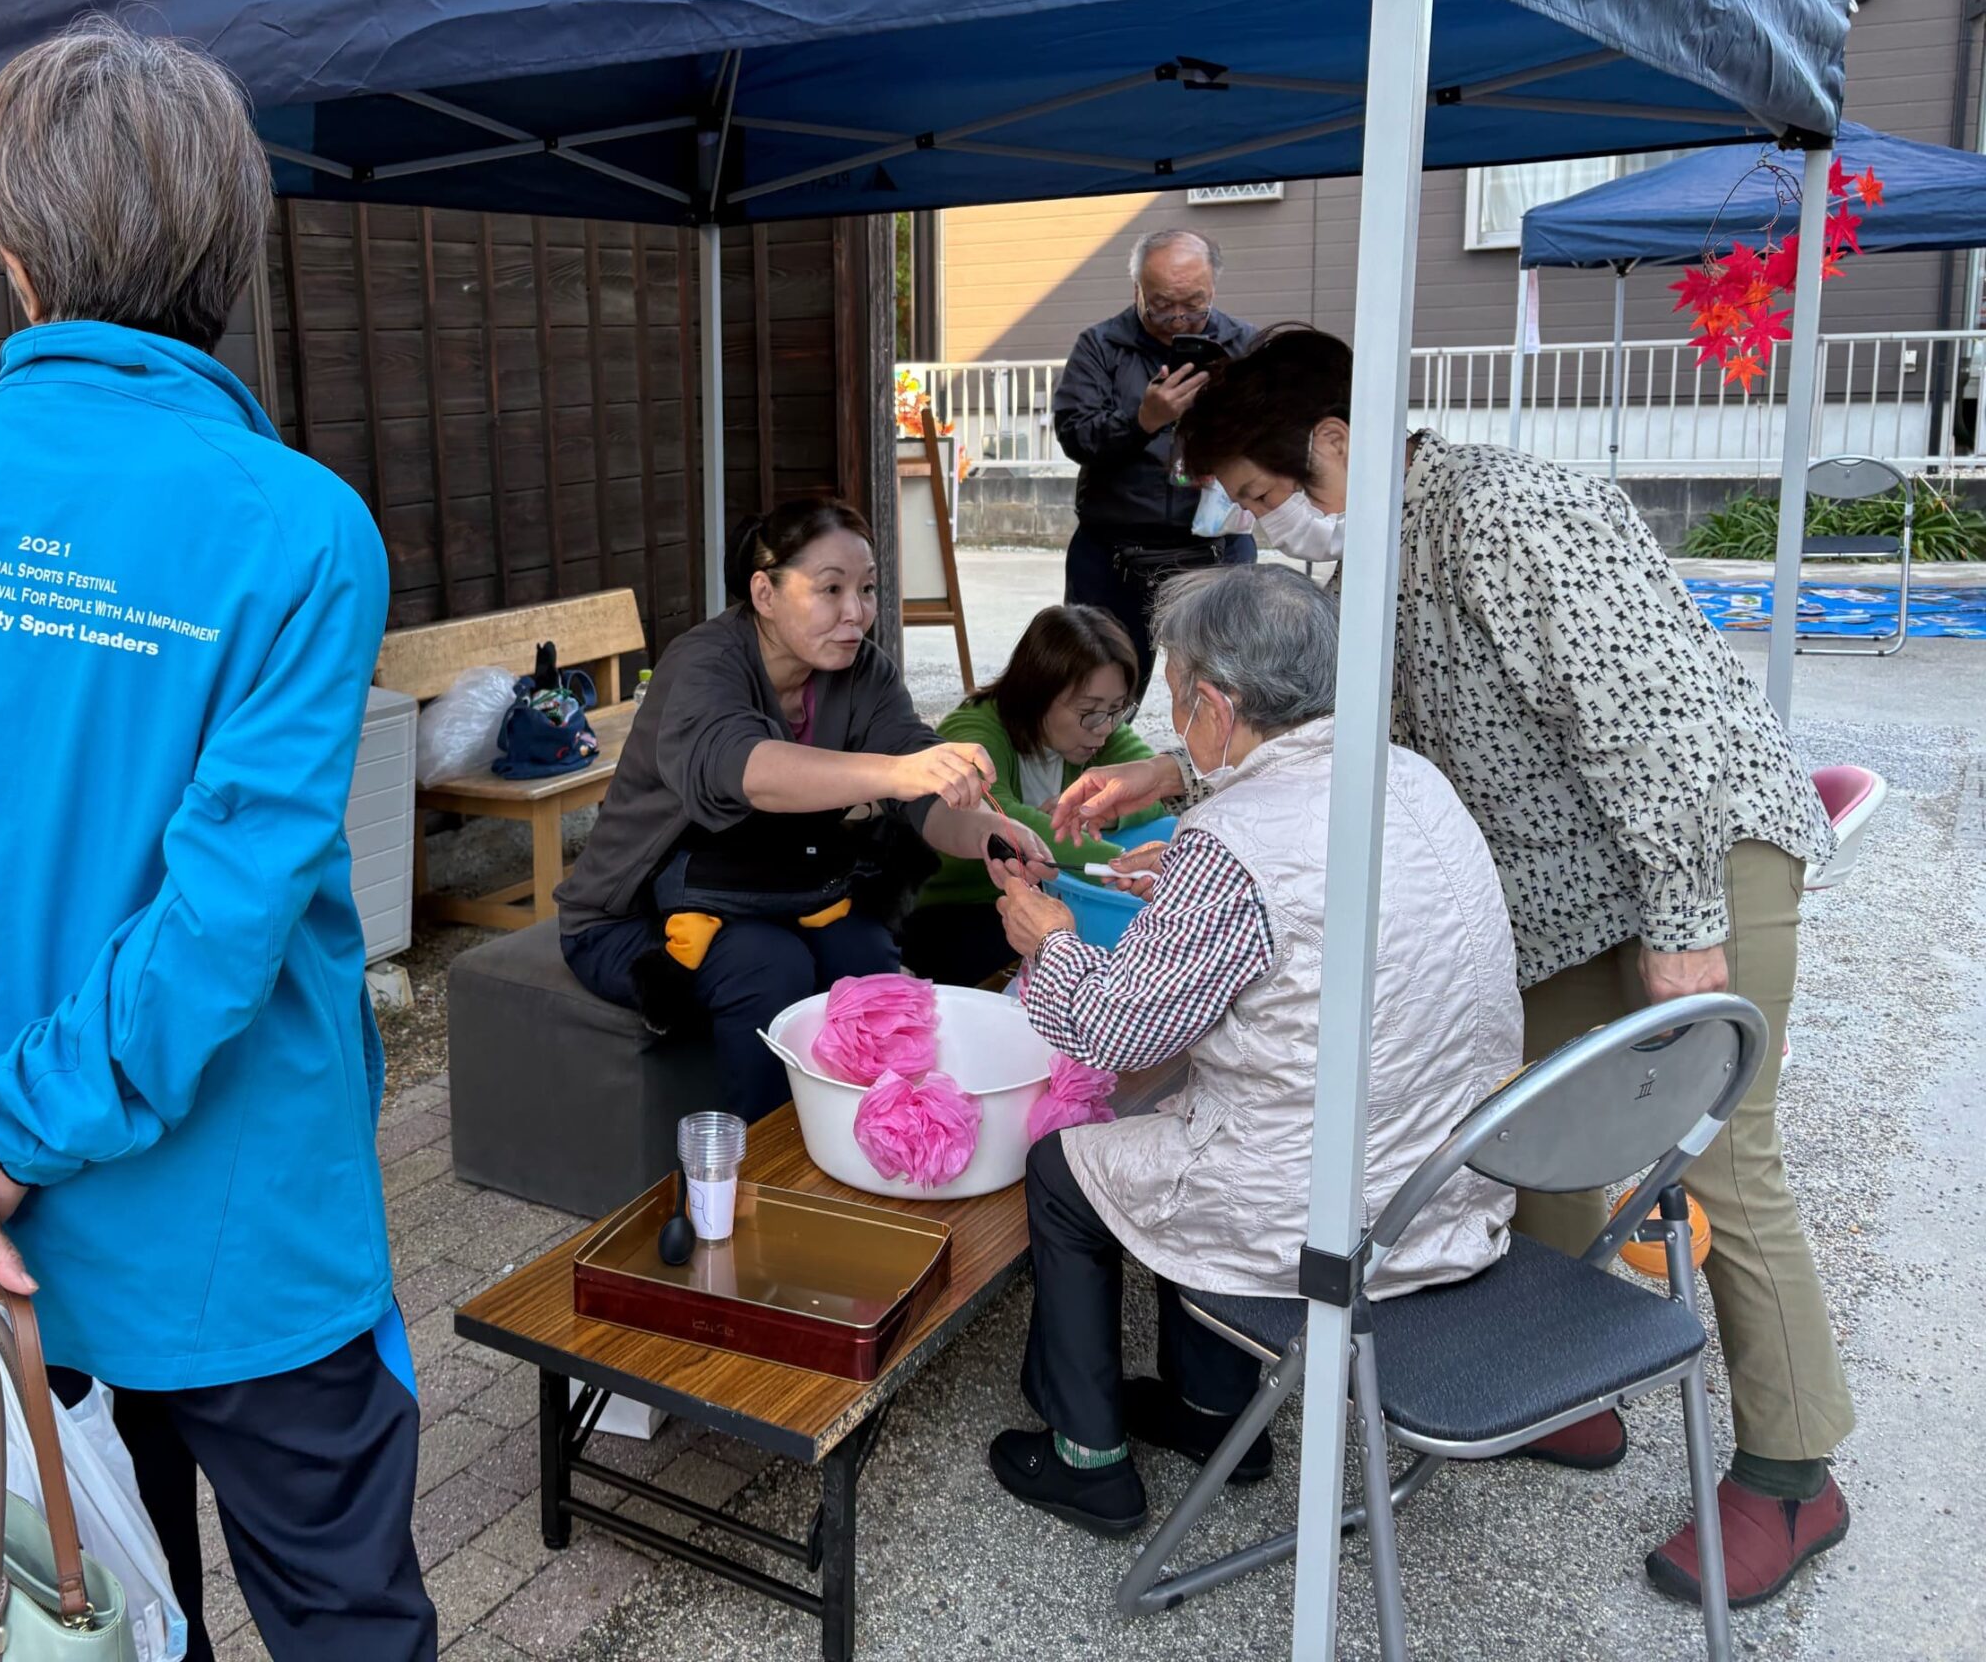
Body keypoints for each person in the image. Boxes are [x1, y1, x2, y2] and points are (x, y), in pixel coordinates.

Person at [0, 16, 432, 1661]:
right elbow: (218, 926)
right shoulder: (299, 526)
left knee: (83, 1608)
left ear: (0, 238)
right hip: (233, 1224)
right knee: (341, 1613)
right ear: (231, 246)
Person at [1093, 325, 1854, 1607]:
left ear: (1337, 443)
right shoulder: (1379, 555)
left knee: (1718, 1152)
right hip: (1562, 890)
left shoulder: (1509, 510)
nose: (1273, 533)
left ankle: (1791, 1474)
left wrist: (1681, 924)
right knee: (1513, 1120)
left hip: (1697, 860)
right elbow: (1345, 728)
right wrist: (1176, 768)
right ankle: (1568, 1383)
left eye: (1275, 500)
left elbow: (1645, 725)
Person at [982, 565, 1521, 1535]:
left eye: (1179, 700)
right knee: (1199, 1117)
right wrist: (1188, 905)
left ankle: (1088, 1457)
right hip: (1450, 1174)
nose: (1179, 729)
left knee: (1072, 1164)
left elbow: (1109, 1032)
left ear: (1216, 707)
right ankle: (1207, 1410)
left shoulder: (1236, 834)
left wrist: (1049, 937)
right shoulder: (1410, 775)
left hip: (1339, 1210)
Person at [556, 498, 1054, 1120]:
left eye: (867, 588)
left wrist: (985, 835)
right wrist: (898, 772)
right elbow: (748, 772)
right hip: (634, 916)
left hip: (780, 892)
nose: (857, 613)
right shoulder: (703, 663)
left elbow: (924, 794)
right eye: (830, 590)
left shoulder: (862, 671)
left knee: (869, 958)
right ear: (764, 592)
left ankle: (888, 1132)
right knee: (768, 966)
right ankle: (763, 1177)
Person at [902, 604, 1174, 989]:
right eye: (1090, 712)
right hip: (955, 912)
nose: (1106, 727)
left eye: (1117, 710)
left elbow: (1153, 788)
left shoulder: (1099, 731)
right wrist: (1144, 871)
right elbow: (1007, 823)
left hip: (1038, 901)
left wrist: (1099, 810)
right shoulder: (974, 731)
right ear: (1037, 693)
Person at [1052, 227, 1257, 705]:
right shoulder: (1101, 346)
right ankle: (1092, 776)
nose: (1179, 318)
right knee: (1093, 691)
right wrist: (1144, 420)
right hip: (1115, 552)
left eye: (1195, 303)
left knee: (1232, 696)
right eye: (1162, 304)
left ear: (1214, 290)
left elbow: (1279, 435)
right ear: (1137, 290)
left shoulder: (1245, 344)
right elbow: (1074, 435)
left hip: (1216, 550)